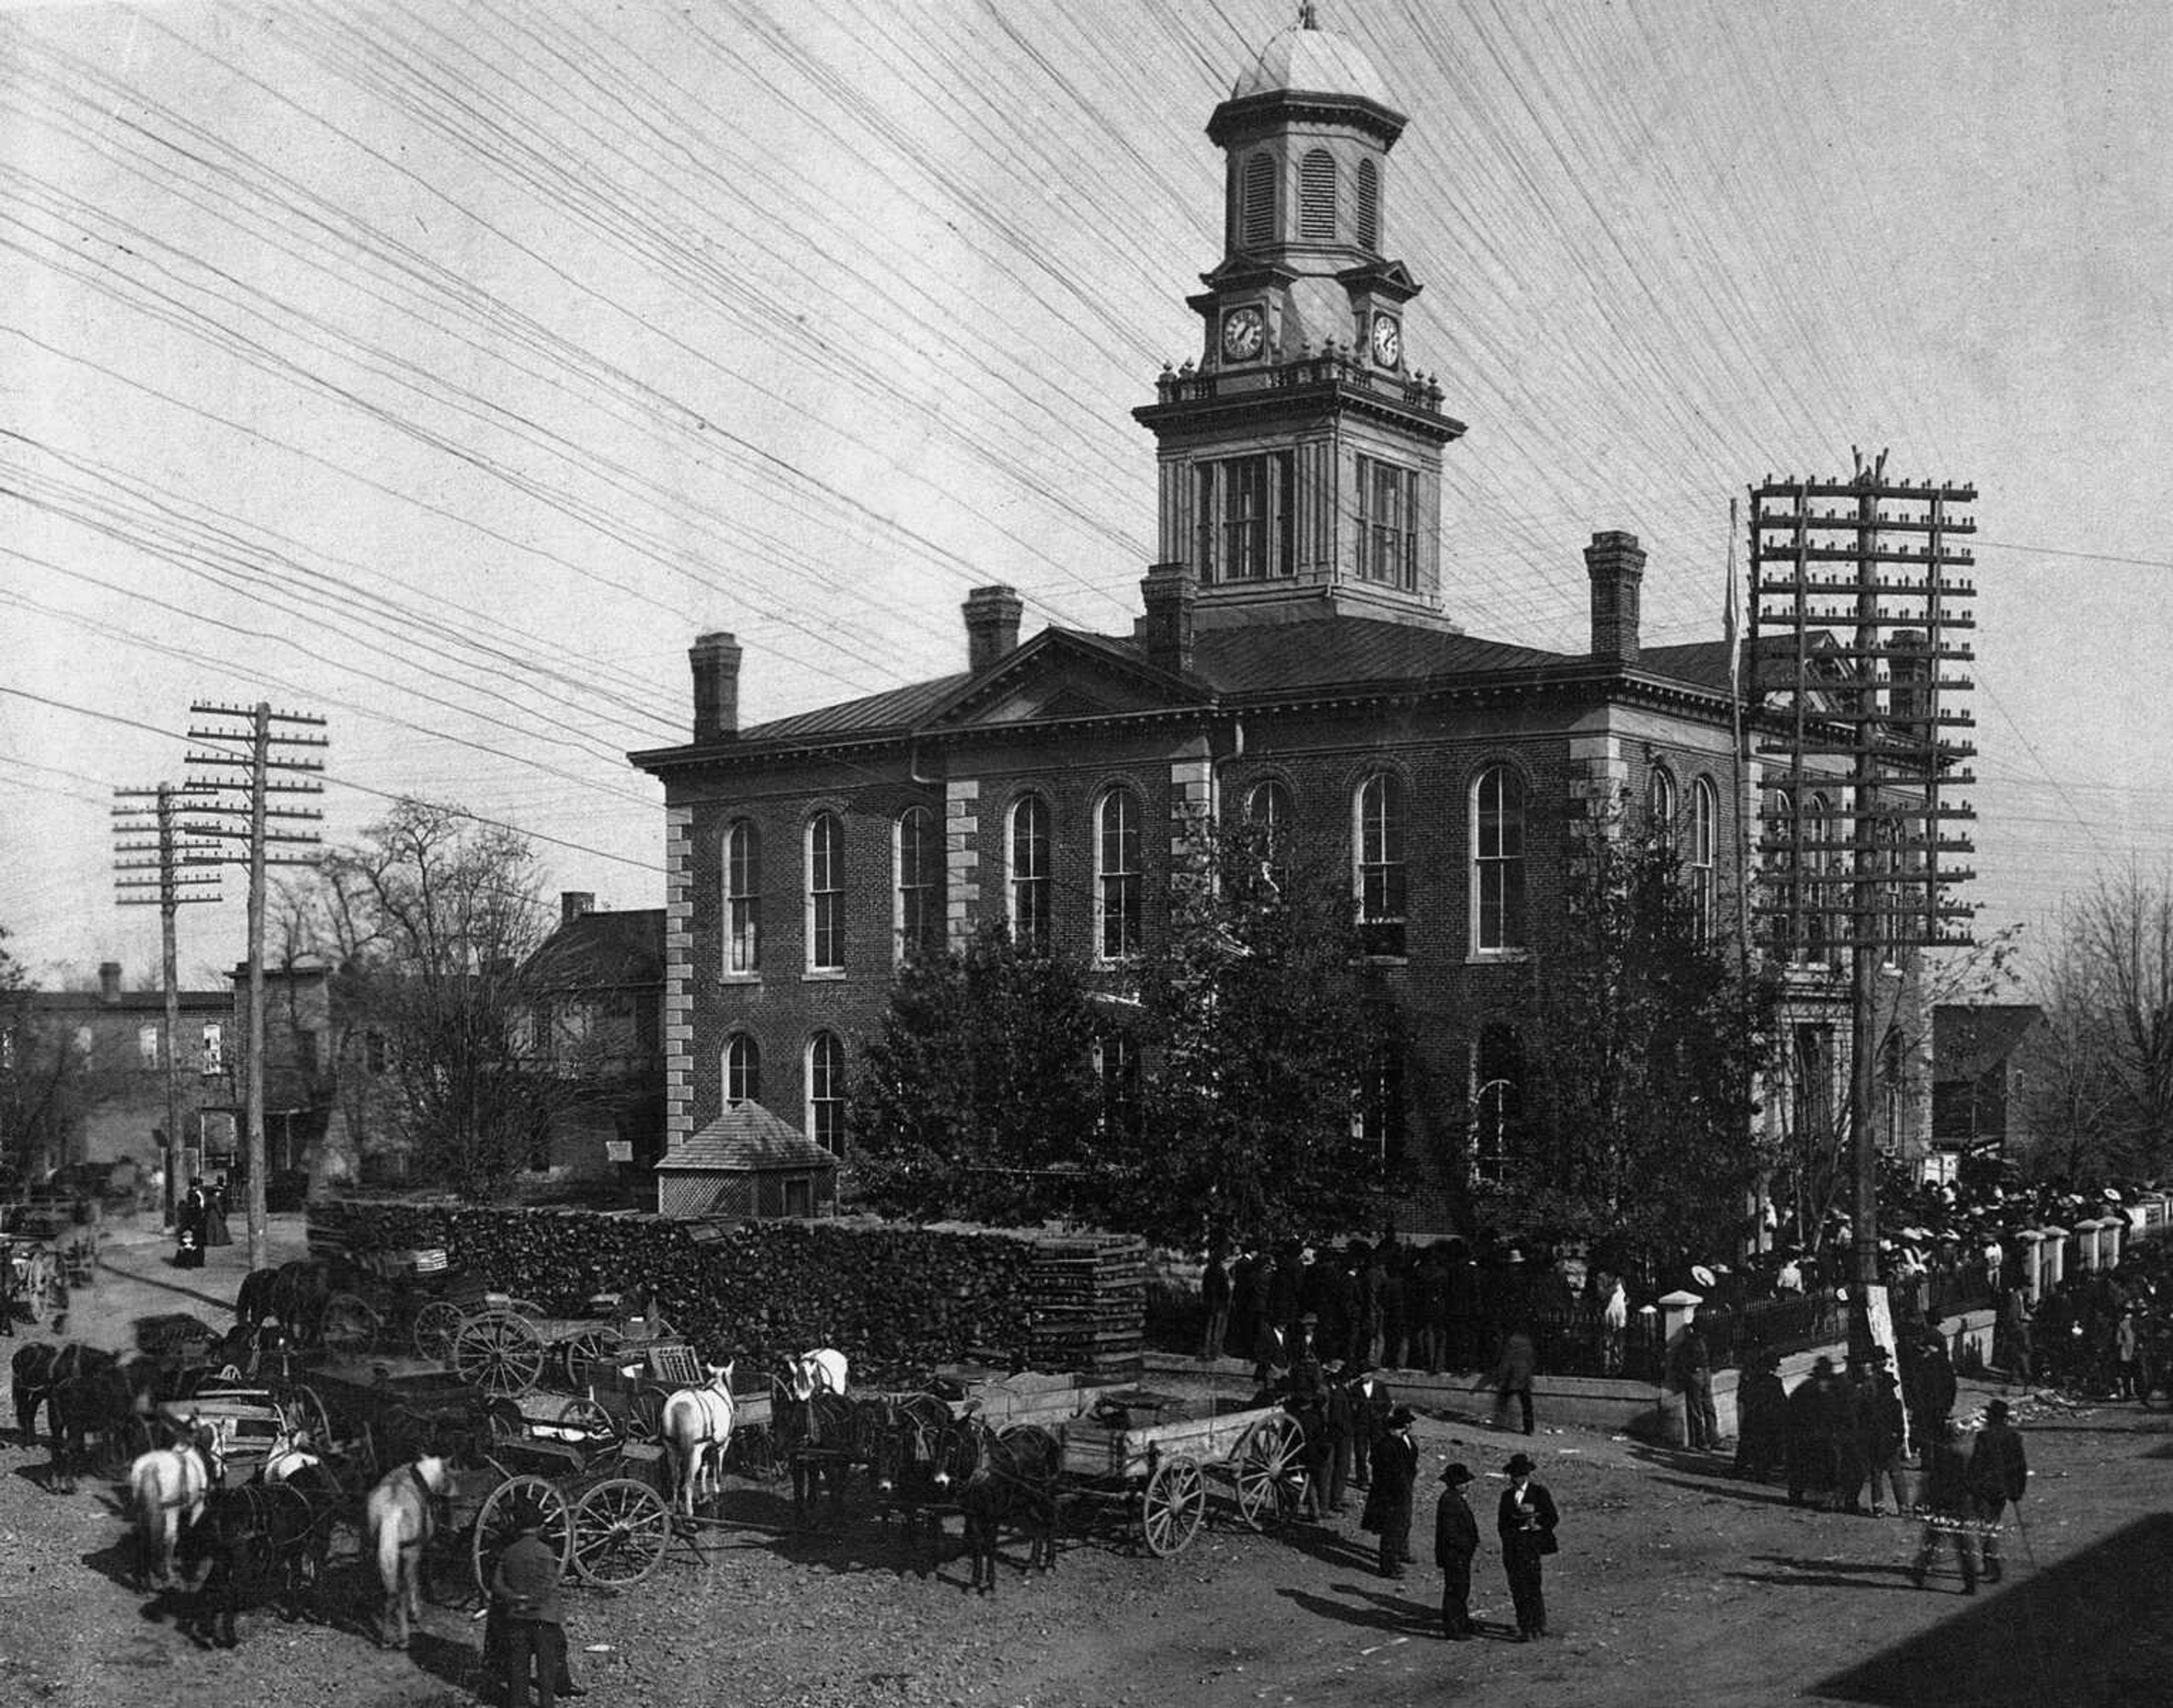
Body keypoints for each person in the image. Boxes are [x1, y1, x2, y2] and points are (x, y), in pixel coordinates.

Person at [489, 1499, 581, 1705]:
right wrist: (532, 1601)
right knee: (546, 1670)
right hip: (543, 1619)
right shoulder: (544, 1552)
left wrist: (516, 1599)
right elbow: (550, 1584)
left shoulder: (509, 1552)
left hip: (517, 1618)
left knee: (518, 1668)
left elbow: (496, 1584)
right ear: (540, 1527)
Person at [1910, 1419, 1978, 1594]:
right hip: (1961, 1504)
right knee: (1964, 1545)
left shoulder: (1942, 1455)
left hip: (1942, 1503)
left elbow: (1932, 1480)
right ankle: (1970, 1582)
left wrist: (1922, 1499)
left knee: (1932, 1541)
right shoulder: (1965, 1455)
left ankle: (1921, 1572)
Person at [1497, 1450, 1559, 1640]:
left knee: (1533, 1586)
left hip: (1532, 1545)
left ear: (1526, 1476)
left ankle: (1539, 1624)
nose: (1516, 1479)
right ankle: (1526, 1627)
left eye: (1519, 1476)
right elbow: (1502, 1524)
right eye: (1514, 1476)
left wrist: (1538, 1526)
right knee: (1518, 1589)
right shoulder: (1507, 1496)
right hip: (1514, 1547)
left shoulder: (1539, 1493)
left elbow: (1552, 1517)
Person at [1968, 1397, 2029, 1583]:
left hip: (1985, 1488)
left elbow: (1976, 1465)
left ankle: (1992, 1567)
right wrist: (2017, 1490)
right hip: (2003, 1489)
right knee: (1992, 1524)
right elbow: (2020, 1466)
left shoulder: (1984, 1437)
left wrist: (1970, 1484)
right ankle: (1990, 1566)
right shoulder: (2013, 1437)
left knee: (1986, 1528)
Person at [1360, 1405, 1420, 1579]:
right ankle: (1388, 1567)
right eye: (1402, 1427)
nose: (1405, 1430)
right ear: (1394, 1429)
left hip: (1400, 1490)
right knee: (1391, 1531)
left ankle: (1395, 1559)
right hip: (1390, 1494)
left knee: (1400, 1526)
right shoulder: (1387, 1446)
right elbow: (1389, 1471)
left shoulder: (1398, 1442)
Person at [1861, 1349, 1909, 1517]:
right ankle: (1904, 1506)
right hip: (1890, 1438)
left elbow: (1863, 1418)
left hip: (1875, 1438)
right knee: (1895, 1473)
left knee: (1876, 1473)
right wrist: (1900, 1435)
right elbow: (1898, 1419)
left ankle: (1879, 1506)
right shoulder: (1892, 1401)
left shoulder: (1868, 1393)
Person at [1433, 1462, 1479, 1640]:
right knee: (1456, 1590)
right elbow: (1451, 1533)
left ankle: (1462, 1621)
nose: (1467, 1485)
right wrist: (1467, 1546)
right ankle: (1454, 1627)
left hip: (1458, 1554)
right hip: (1455, 1554)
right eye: (1464, 1482)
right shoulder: (1450, 1501)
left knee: (1461, 1588)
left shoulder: (1452, 1498)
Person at [1732, 1348, 1787, 1480]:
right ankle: (1761, 1472)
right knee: (1766, 1446)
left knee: (1747, 1444)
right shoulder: (1774, 1382)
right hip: (1768, 1419)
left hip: (1752, 1417)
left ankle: (1740, 1469)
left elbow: (1743, 1397)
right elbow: (1782, 1401)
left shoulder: (1750, 1379)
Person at [1667, 1318, 1717, 1450]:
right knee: (1709, 1406)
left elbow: (1680, 1362)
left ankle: (1700, 1441)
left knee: (1696, 1410)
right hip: (1707, 1372)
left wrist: (1685, 1374)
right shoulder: (1707, 1341)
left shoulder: (1689, 1342)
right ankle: (1713, 1438)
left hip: (1695, 1375)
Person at [1488, 1328, 1537, 1436]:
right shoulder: (1527, 1342)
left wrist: (1500, 1376)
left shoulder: (1509, 1342)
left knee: (1503, 1401)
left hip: (1512, 1376)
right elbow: (1532, 1361)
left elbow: (1506, 1360)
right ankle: (1529, 1428)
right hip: (1524, 1377)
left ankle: (1500, 1425)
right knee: (1527, 1404)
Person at [1200, 1244, 1231, 1363]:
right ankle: (1215, 1352)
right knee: (1217, 1330)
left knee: (1209, 1329)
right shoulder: (1221, 1272)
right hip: (1219, 1304)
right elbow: (1224, 1290)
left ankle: (1207, 1351)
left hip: (1210, 1303)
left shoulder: (1208, 1271)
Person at [204, 1174, 233, 1248]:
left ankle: (211, 1241)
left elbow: (206, 1207)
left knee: (211, 1228)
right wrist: (222, 1215)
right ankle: (219, 1241)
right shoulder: (215, 1199)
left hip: (211, 1214)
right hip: (216, 1214)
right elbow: (219, 1207)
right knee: (218, 1228)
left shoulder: (208, 1199)